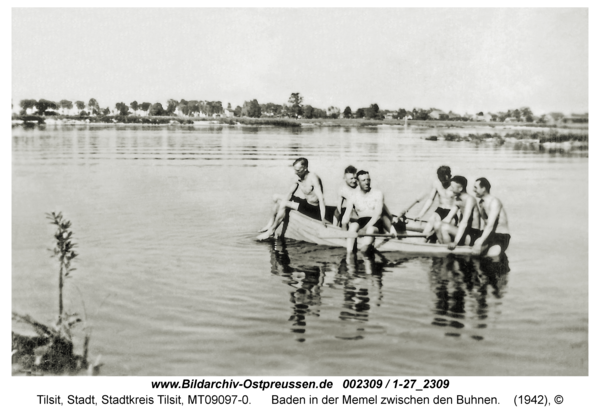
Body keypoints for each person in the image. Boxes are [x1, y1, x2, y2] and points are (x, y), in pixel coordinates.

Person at [257, 158, 327, 240]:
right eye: (295, 170)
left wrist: (323, 218)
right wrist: (282, 204)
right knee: (276, 197)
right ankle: (270, 224)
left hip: (314, 208)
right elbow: (289, 194)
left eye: (298, 170)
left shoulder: (313, 178)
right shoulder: (298, 177)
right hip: (306, 203)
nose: (295, 172)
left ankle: (271, 231)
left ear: (305, 168)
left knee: (284, 204)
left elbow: (321, 199)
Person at [393, 166, 455, 239]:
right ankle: (423, 241)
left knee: (444, 230)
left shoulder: (455, 185)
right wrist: (420, 214)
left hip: (451, 212)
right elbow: (430, 200)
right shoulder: (436, 183)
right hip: (440, 210)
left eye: (443, 178)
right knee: (430, 223)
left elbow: (461, 203)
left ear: (448, 176)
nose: (442, 181)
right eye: (440, 178)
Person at [341, 170, 384, 253]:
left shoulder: (377, 193)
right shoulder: (353, 195)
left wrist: (364, 229)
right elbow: (346, 215)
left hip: (375, 223)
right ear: (358, 182)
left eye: (368, 180)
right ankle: (349, 253)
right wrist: (344, 227)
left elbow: (378, 214)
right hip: (361, 221)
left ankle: (363, 252)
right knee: (353, 226)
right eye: (363, 180)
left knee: (370, 230)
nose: (367, 182)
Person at [435, 175, 482, 250]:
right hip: (464, 232)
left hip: (473, 235)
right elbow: (448, 219)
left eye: (452, 187)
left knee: (445, 227)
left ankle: (449, 250)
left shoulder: (470, 199)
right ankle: (443, 247)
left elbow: (464, 222)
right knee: (437, 224)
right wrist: (434, 230)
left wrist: (455, 242)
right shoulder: (457, 199)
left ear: (460, 188)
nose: (450, 189)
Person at [472, 177, 510, 256]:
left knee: (491, 256)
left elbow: (490, 224)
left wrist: (480, 241)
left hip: (501, 236)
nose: (473, 190)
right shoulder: (481, 203)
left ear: (483, 188)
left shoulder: (494, 202)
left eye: (476, 187)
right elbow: (485, 224)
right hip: (490, 235)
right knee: (475, 251)